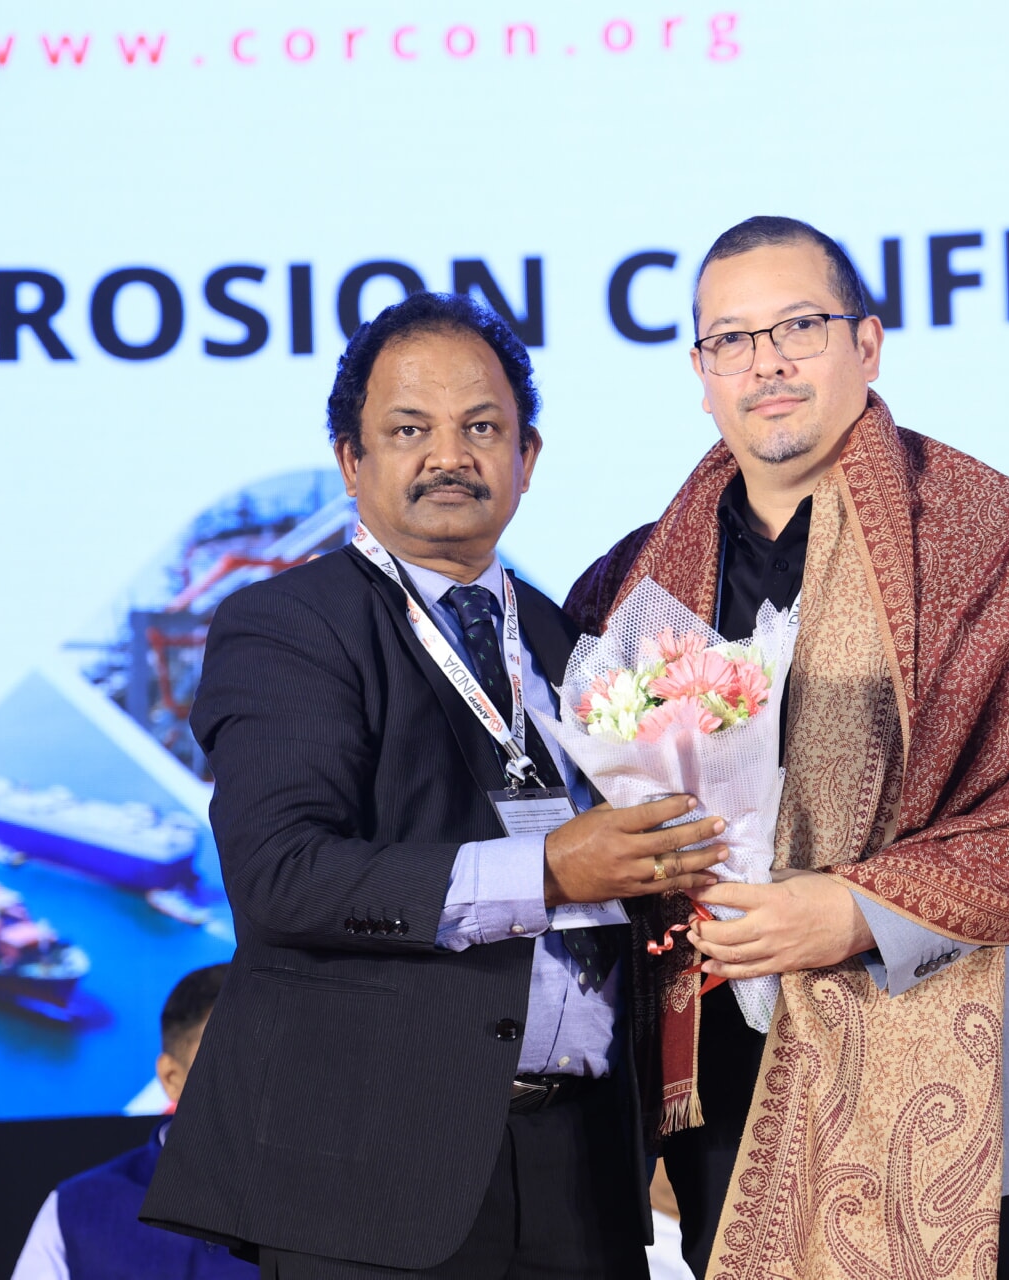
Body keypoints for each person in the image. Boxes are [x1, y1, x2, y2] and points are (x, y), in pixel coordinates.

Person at [567, 217, 1009, 1280]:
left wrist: (857, 911)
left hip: (990, 1083)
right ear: (700, 373)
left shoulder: (1006, 536)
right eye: (731, 339)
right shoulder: (629, 583)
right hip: (735, 1083)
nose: (766, 364)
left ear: (867, 344)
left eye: (799, 327)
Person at [139, 292, 729, 1279]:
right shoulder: (287, 625)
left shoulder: (573, 639)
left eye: (481, 428)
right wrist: (547, 869)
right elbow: (282, 875)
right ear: (351, 460)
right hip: (372, 1175)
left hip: (583, 1167)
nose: (448, 457)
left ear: (526, 458)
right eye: (409, 430)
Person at [12, 964, 254, 1279]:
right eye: (232, 1063)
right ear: (171, 1078)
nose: (262, 1085)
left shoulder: (316, 1208)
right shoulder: (75, 1210)